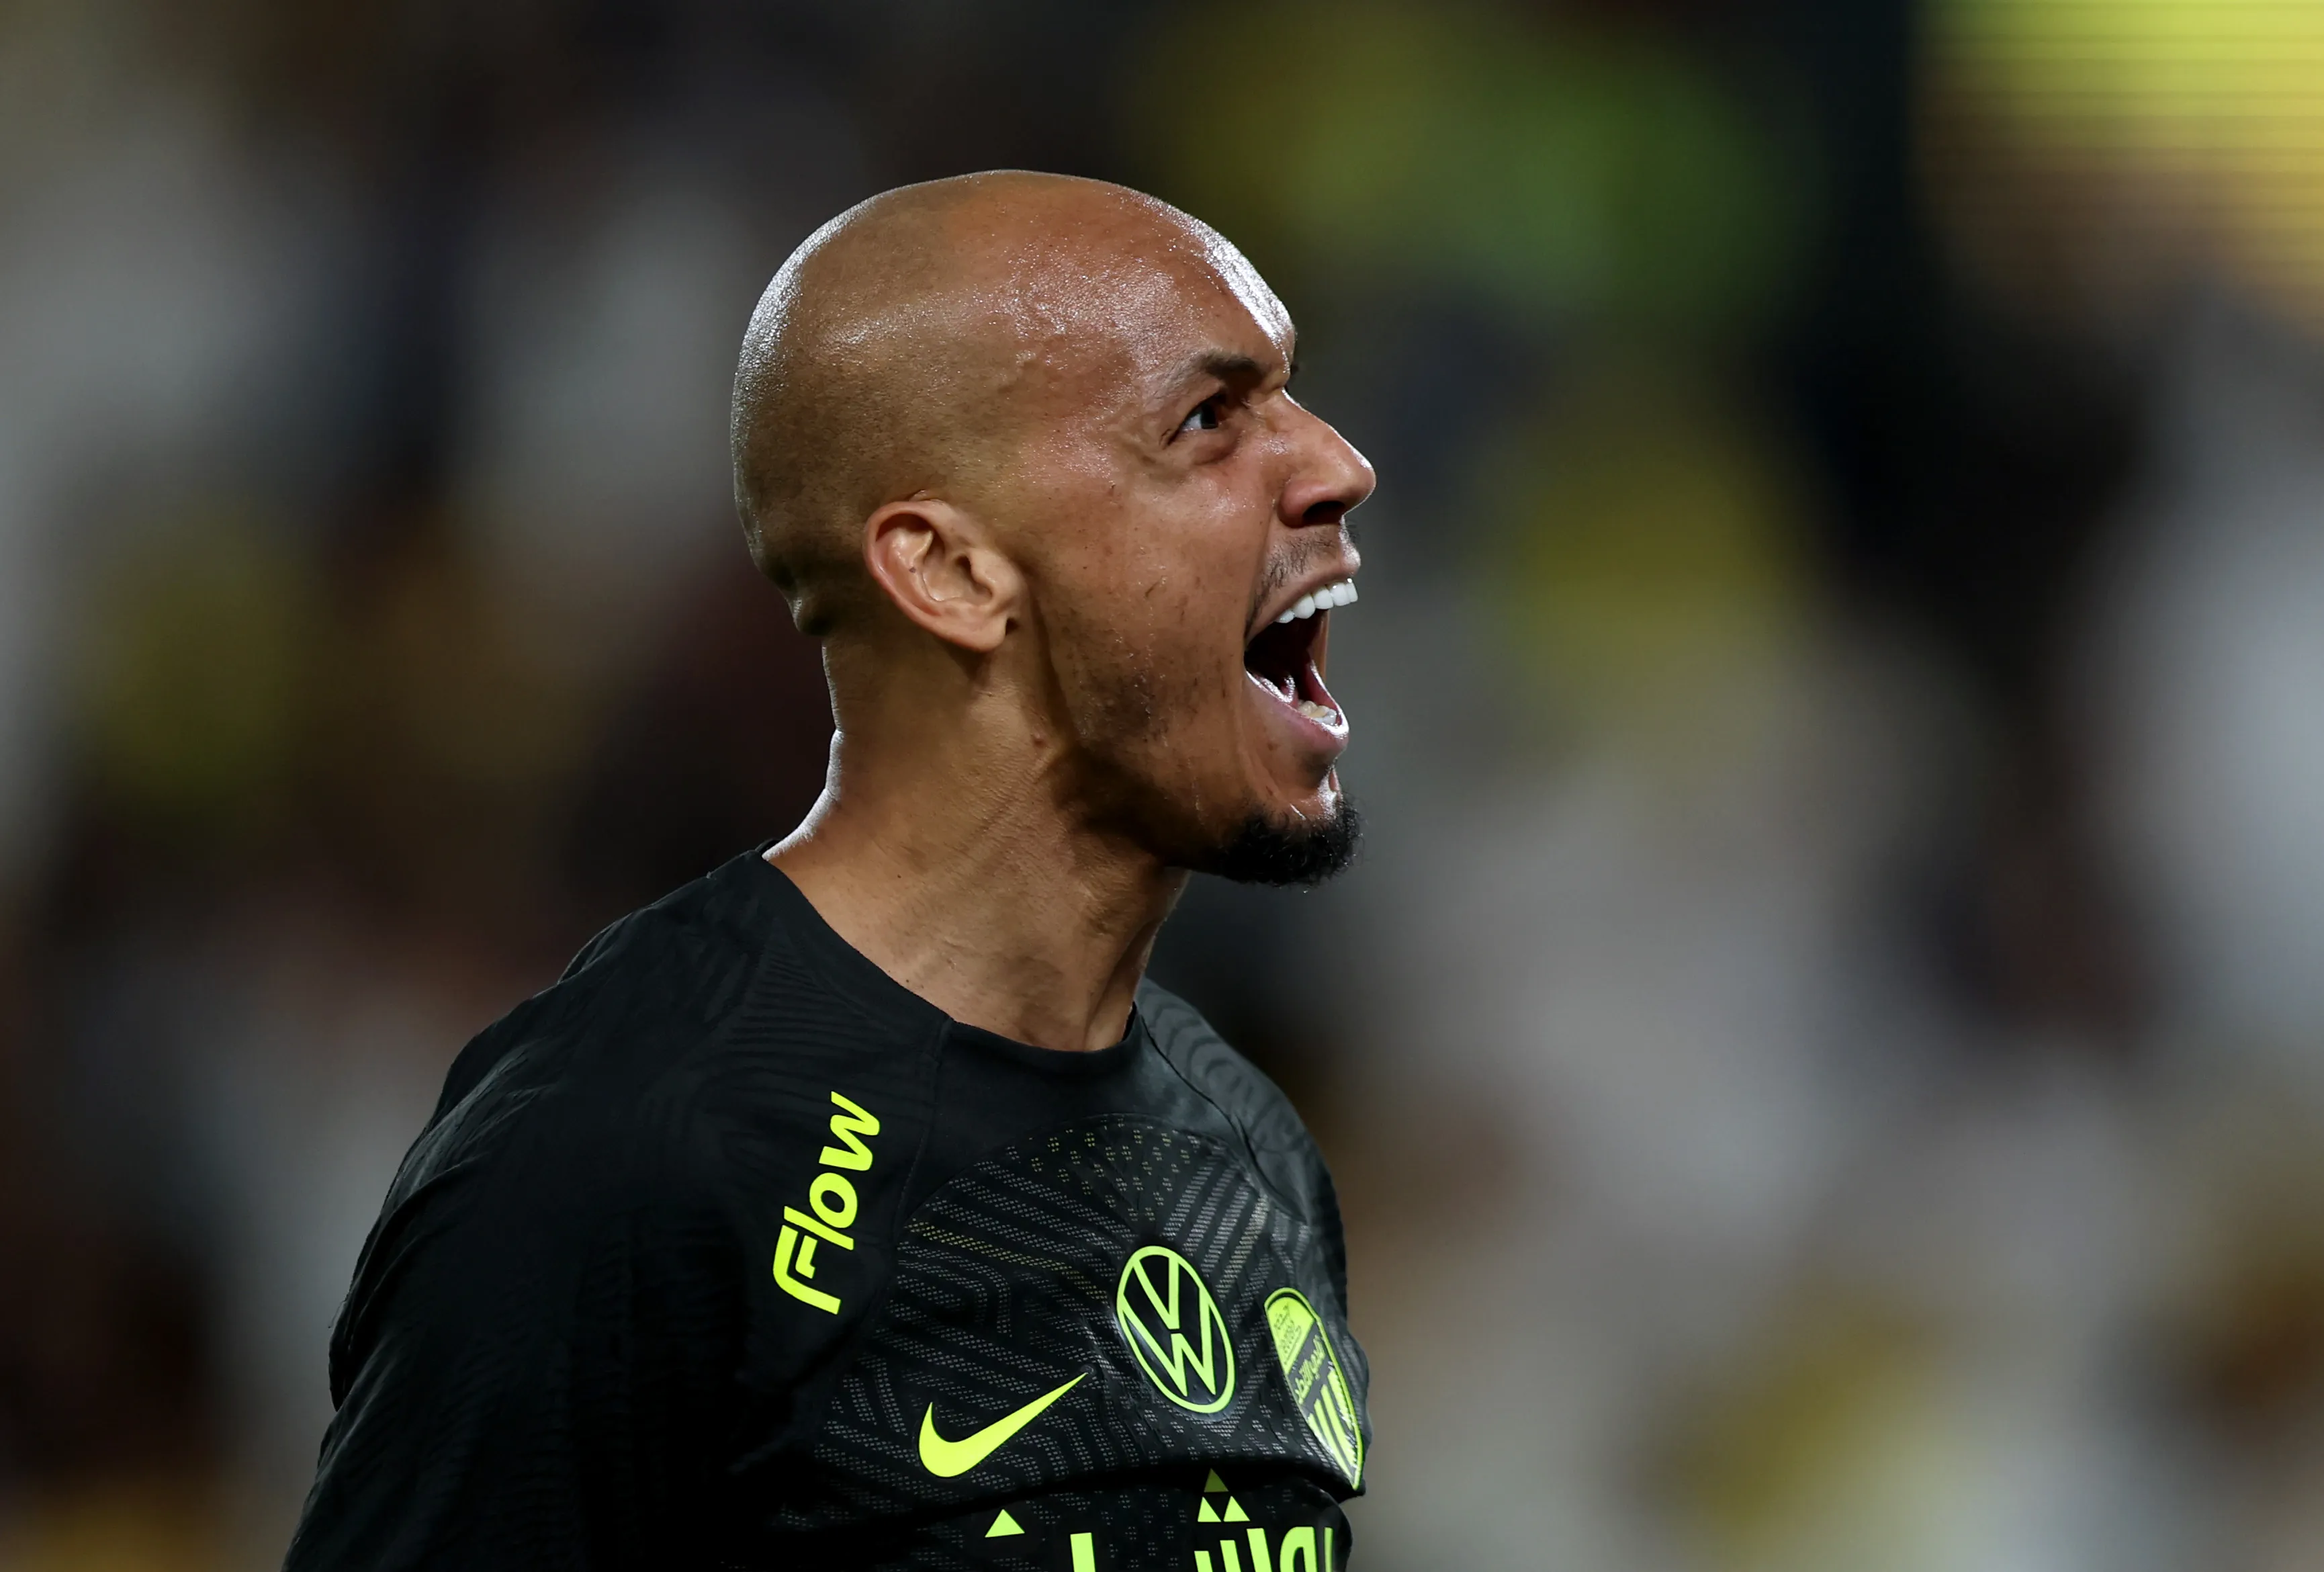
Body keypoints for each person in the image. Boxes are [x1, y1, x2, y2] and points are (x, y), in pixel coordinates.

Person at [283, 171, 1376, 1571]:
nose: (1337, 463)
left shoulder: (1248, 1150)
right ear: (950, 571)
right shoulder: (622, 1163)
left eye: (1290, 396)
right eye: (1209, 421)